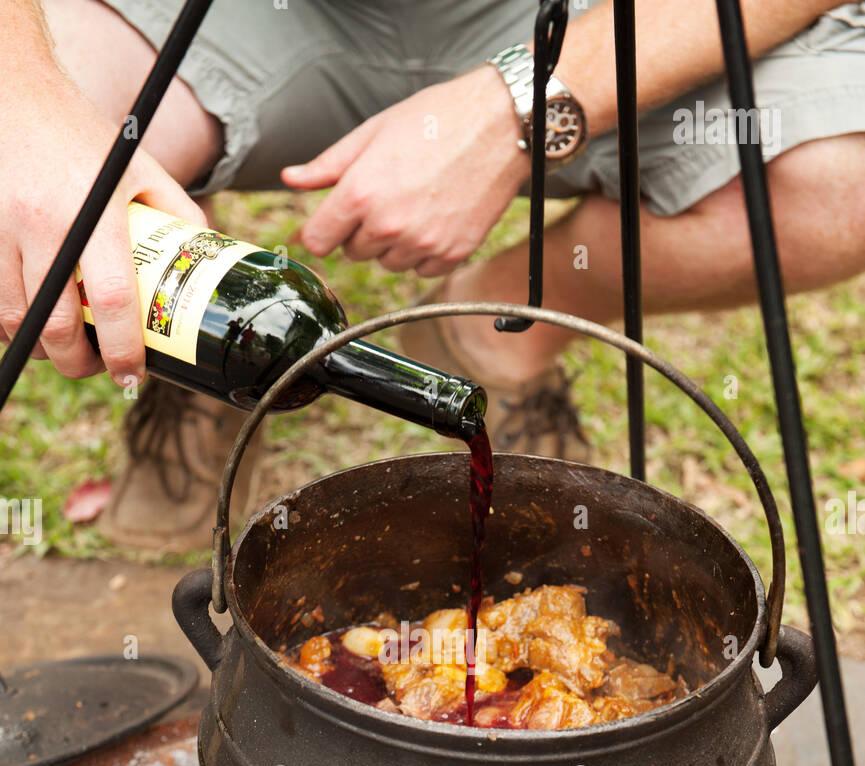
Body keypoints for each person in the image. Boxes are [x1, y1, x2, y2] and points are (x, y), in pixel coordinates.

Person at [3, 0, 865, 550]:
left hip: (604, 19)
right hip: (228, 13)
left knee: (846, 180)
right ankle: (196, 336)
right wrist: (31, 104)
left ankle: (494, 330)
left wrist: (518, 108)